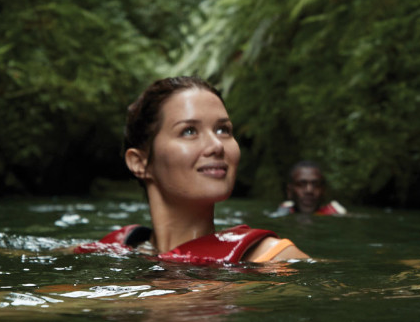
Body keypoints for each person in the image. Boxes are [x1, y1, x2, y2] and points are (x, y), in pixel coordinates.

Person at [77, 76, 308, 263]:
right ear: (140, 163)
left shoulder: (272, 259)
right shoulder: (118, 247)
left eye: (223, 130)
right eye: (189, 131)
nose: (217, 145)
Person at [273, 161, 348, 216]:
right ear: (289, 191)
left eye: (316, 185)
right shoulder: (281, 212)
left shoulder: (338, 214)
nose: (309, 190)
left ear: (324, 190)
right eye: (301, 184)